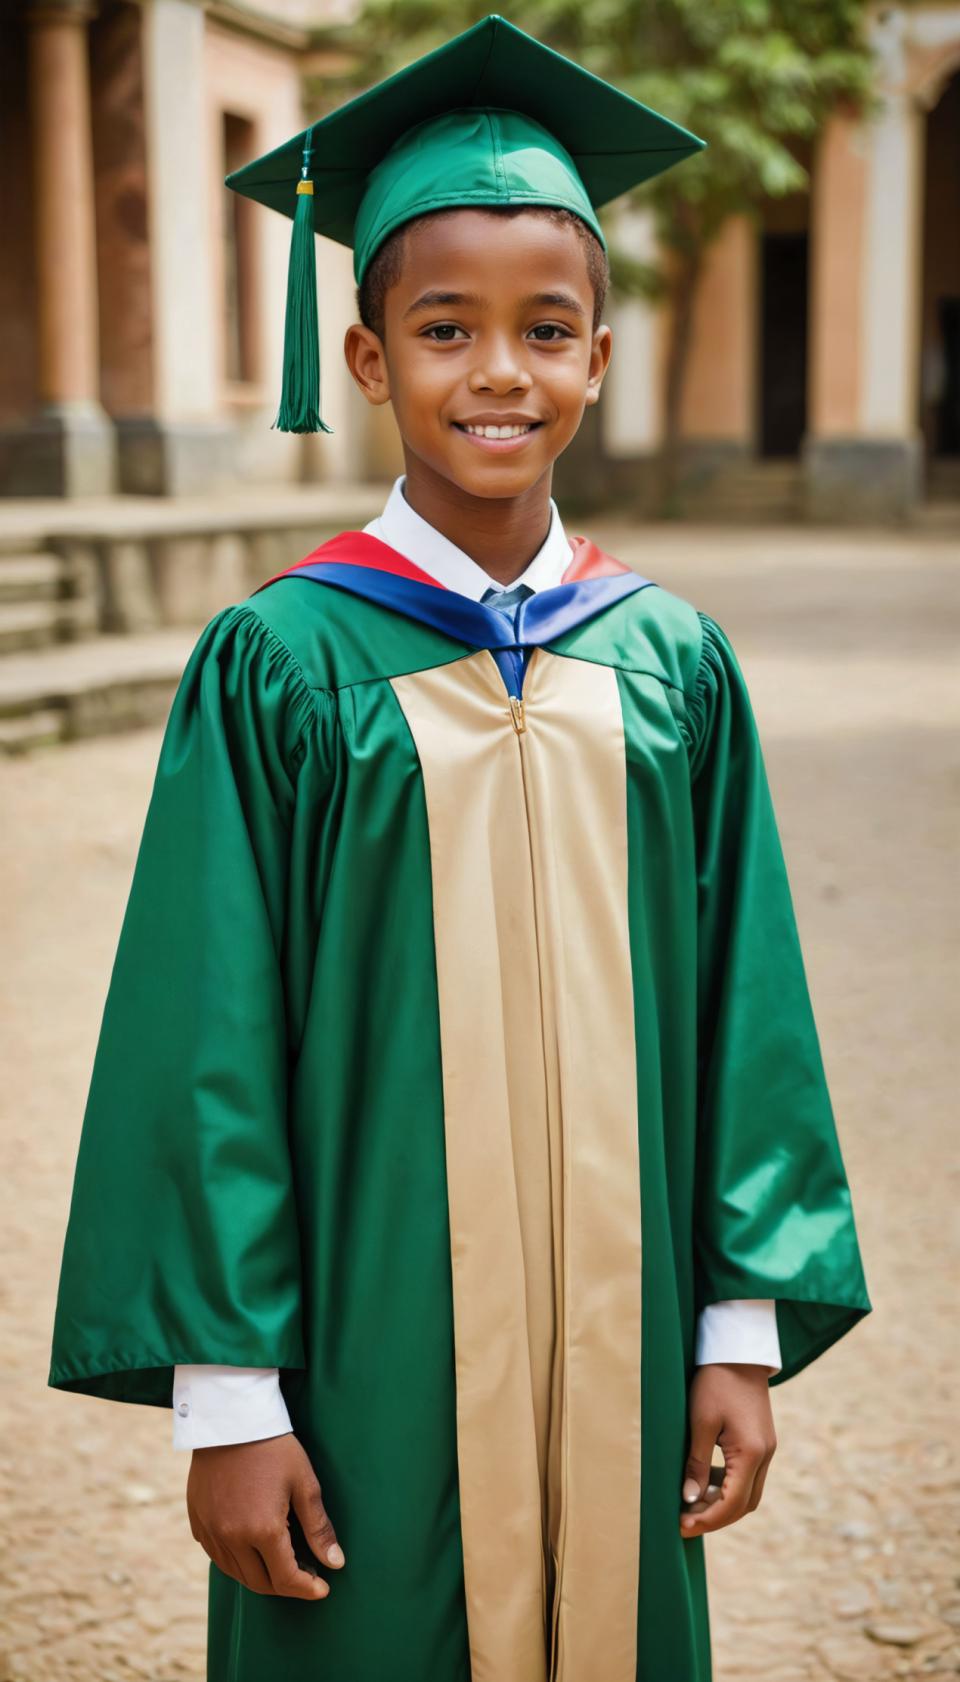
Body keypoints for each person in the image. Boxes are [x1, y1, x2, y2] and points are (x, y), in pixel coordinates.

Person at [47, 16, 872, 1682]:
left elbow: (746, 1015)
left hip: (625, 1352)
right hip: (367, 1364)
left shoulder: (669, 665)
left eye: (543, 331)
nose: (498, 371)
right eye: (445, 329)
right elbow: (205, 1044)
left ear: (599, 359)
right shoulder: (283, 663)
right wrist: (226, 1399)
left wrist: (739, 1331)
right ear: (365, 362)